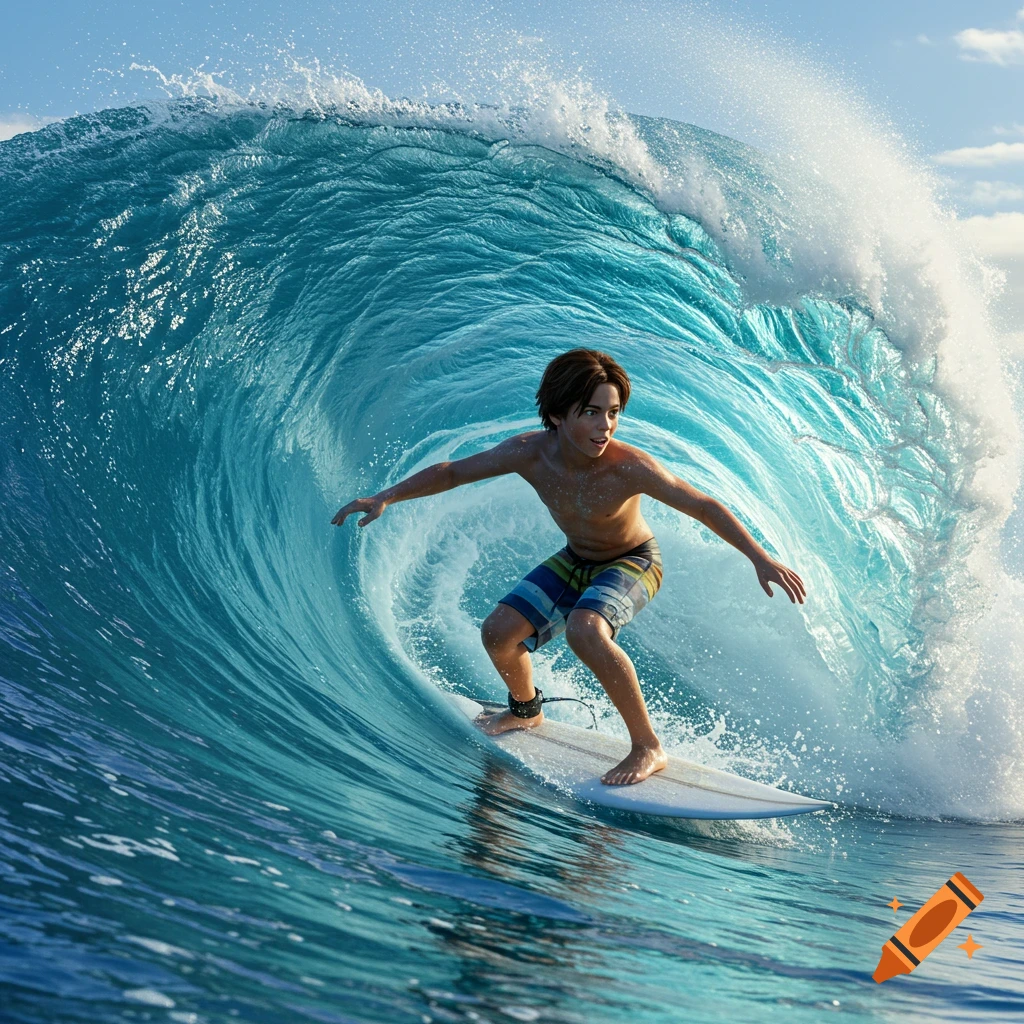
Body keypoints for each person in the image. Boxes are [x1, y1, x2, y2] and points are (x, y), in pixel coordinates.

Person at [332, 348, 806, 785]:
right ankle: (525, 711)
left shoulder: (629, 466)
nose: (606, 426)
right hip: (577, 558)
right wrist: (386, 496)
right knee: (498, 632)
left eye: (614, 413)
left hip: (634, 562)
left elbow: (701, 505)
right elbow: (454, 472)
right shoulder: (529, 453)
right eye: (592, 412)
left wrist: (759, 557)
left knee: (586, 629)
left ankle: (648, 746)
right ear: (558, 415)